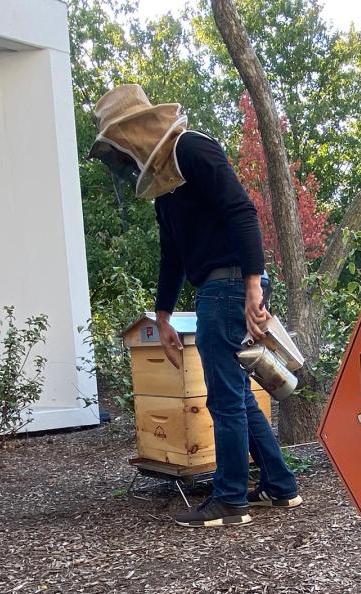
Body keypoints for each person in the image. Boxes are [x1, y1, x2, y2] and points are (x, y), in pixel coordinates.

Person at [89, 84, 302, 528]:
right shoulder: (165, 184)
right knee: (236, 394)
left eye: (118, 150)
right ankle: (280, 486)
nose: (122, 162)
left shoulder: (191, 148)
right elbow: (172, 255)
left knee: (224, 398)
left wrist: (253, 285)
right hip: (219, 285)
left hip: (229, 284)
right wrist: (162, 316)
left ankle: (230, 501)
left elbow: (242, 211)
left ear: (134, 133)